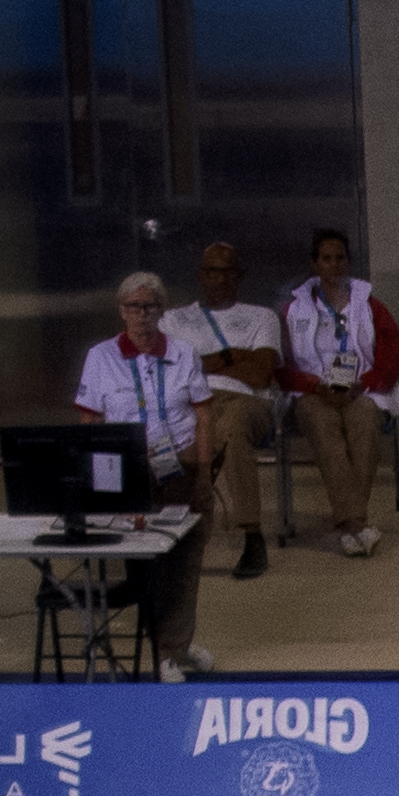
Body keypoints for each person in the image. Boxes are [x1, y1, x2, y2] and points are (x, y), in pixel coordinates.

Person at [72, 271, 215, 679]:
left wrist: (203, 472)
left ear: (161, 310)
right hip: (127, 473)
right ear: (122, 311)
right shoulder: (101, 357)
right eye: (134, 307)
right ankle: (169, 648)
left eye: (149, 306)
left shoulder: (184, 353)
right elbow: (90, 421)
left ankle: (171, 649)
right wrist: (99, 485)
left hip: (180, 467)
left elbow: (204, 414)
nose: (142, 314)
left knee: (184, 560)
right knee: (147, 566)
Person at [159, 238, 285, 583]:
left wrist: (201, 363)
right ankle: (165, 534)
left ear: (239, 276)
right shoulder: (174, 320)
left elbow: (260, 373)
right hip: (191, 402)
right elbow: (172, 373)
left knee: (230, 427)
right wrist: (233, 356)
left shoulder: (261, 317)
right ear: (201, 275)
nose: (220, 279)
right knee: (164, 432)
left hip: (245, 401)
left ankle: (252, 535)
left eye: (228, 272)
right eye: (213, 271)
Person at [278, 228, 395, 559]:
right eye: (326, 259)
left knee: (365, 423)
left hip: (361, 389)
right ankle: (356, 524)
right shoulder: (292, 311)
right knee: (324, 429)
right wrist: (314, 386)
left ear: (349, 261)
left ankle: (349, 524)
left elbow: (391, 355)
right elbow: (282, 366)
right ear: (314, 264)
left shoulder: (371, 305)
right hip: (312, 392)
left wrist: (364, 382)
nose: (334, 265)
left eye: (340, 258)